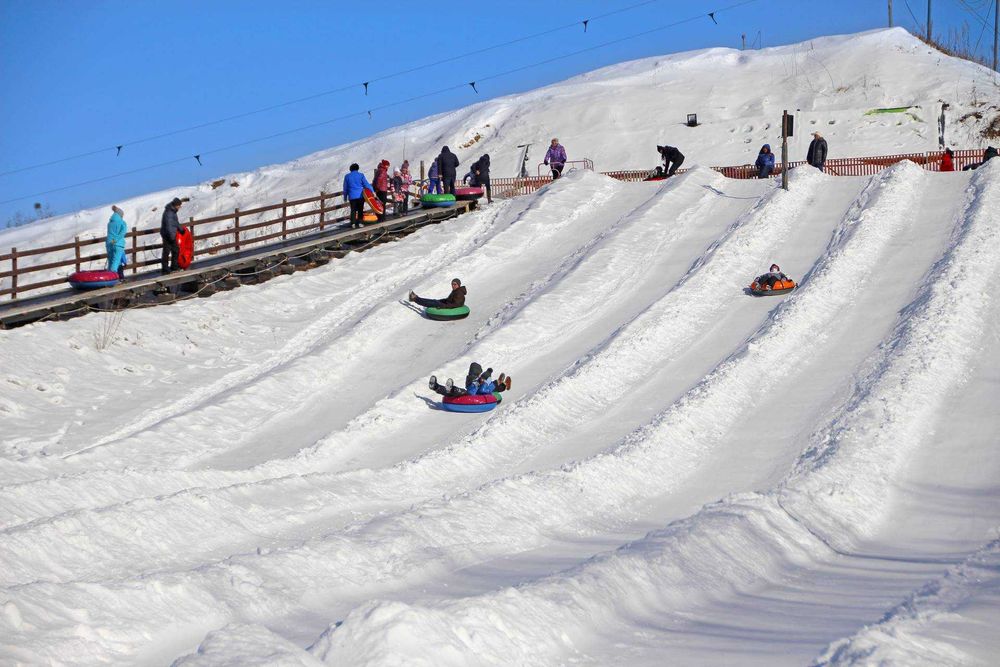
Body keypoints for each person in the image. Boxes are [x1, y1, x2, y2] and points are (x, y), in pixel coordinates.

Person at [429, 362, 513, 397]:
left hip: (477, 391)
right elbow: (479, 389)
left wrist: (482, 382)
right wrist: (482, 382)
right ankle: (440, 387)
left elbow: (481, 389)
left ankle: (436, 387)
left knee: (451, 393)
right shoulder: (478, 380)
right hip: (471, 393)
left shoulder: (472, 378)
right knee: (456, 392)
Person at [343, 163, 373, 228]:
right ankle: (360, 222)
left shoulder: (347, 176)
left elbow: (345, 188)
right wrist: (372, 191)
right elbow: (366, 184)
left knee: (353, 210)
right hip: (360, 196)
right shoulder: (361, 175)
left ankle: (353, 223)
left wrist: (345, 197)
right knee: (360, 209)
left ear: (350, 169)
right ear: (357, 168)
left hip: (352, 196)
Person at [160, 197, 183, 274]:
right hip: (168, 235)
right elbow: (169, 225)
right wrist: (171, 236)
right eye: (179, 205)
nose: (180, 207)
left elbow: (175, 223)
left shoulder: (172, 212)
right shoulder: (169, 213)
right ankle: (166, 269)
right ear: (176, 205)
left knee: (175, 250)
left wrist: (181, 230)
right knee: (167, 251)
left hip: (170, 234)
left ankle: (173, 267)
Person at [106, 205, 128, 280]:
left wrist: (112, 241)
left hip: (109, 243)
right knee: (115, 261)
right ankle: (111, 278)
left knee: (111, 261)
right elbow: (122, 233)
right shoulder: (122, 222)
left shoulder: (110, 222)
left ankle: (108, 278)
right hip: (117, 244)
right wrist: (115, 240)